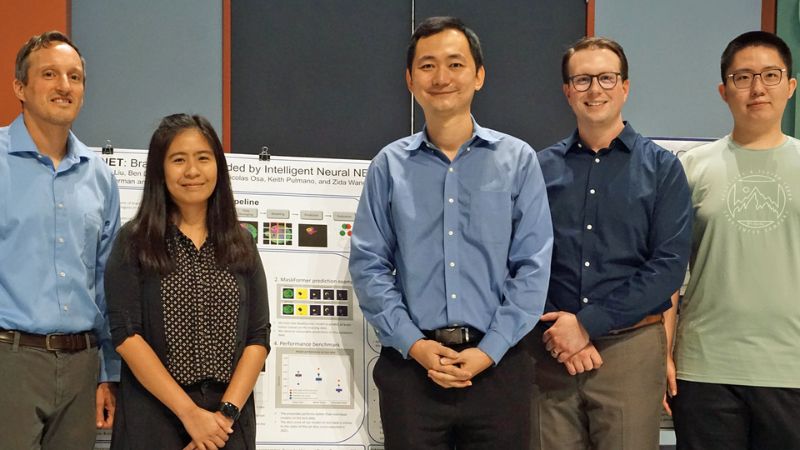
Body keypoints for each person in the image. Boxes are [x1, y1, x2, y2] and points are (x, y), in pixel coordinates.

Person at [349, 16, 553, 450]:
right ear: (410, 79)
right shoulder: (389, 165)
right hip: (412, 373)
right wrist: (414, 344)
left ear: (479, 75)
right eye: (427, 65)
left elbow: (532, 269)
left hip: (499, 367)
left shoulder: (517, 161)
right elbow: (369, 266)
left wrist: (489, 350)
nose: (441, 77)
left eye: (455, 64)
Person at [533, 36, 692, 450]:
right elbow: (520, 257)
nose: (595, 89)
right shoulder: (538, 168)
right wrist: (560, 328)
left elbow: (668, 267)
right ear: (567, 91)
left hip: (630, 349)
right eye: (582, 80)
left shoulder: (662, 169)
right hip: (550, 351)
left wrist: (587, 324)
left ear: (625, 86)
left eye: (606, 77)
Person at [104, 114, 270, 450]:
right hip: (154, 418)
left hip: (228, 424)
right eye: (178, 160)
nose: (192, 171)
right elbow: (126, 335)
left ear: (218, 168)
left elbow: (258, 337)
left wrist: (222, 418)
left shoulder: (241, 243)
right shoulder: (135, 241)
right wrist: (190, 415)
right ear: (160, 170)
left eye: (203, 159)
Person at [672, 31, 800, 450]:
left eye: (770, 75)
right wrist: (663, 356)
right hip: (706, 369)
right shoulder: (692, 168)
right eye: (743, 77)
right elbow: (670, 274)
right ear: (723, 90)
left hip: (791, 370)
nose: (757, 88)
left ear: (791, 85)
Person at [0, 31, 120, 449]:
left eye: (75, 77)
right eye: (49, 74)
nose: (64, 86)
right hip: (9, 361)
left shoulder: (100, 176)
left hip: (82, 367)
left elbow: (106, 282)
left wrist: (108, 372)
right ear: (20, 87)